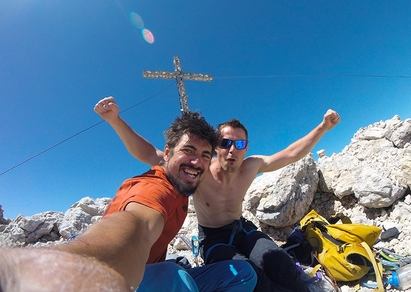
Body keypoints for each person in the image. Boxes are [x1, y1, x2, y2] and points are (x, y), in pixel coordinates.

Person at [94, 96, 341, 292]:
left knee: (278, 261)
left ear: (246, 148)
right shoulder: (199, 169)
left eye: (240, 144)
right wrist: (116, 120)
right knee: (249, 276)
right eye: (225, 143)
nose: (232, 150)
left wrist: (323, 128)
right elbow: (149, 153)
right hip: (213, 238)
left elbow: (290, 154)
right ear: (216, 148)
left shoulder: (251, 166)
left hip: (242, 228)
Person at [0, 112, 257, 292]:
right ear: (166, 153)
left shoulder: (184, 184)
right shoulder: (156, 188)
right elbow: (136, 226)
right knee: (173, 276)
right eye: (188, 151)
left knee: (242, 273)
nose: (196, 162)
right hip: (124, 281)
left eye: (204, 155)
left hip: (146, 270)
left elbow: (144, 150)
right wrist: (40, 270)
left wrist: (115, 119)